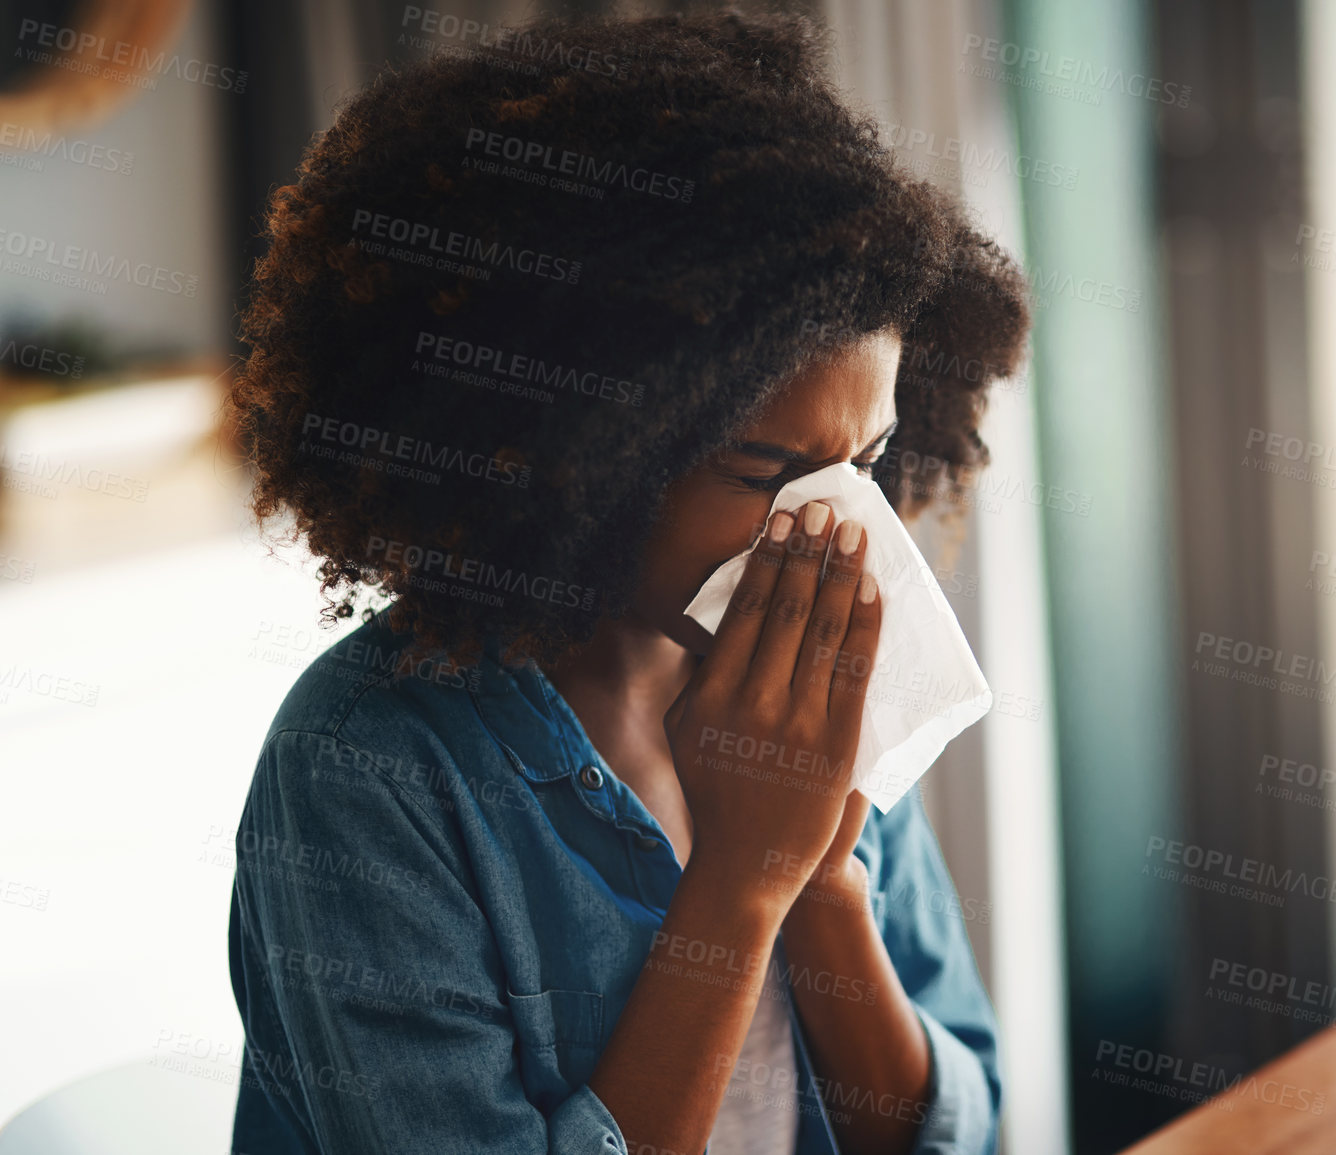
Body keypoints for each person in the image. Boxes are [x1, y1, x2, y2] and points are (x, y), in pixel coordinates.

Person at [222, 10, 1030, 1154]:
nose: (841, 530)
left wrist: (823, 880)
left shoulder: (808, 681)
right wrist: (743, 880)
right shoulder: (373, 769)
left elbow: (963, 1133)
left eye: (866, 463)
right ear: (577, 456)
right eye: (768, 473)